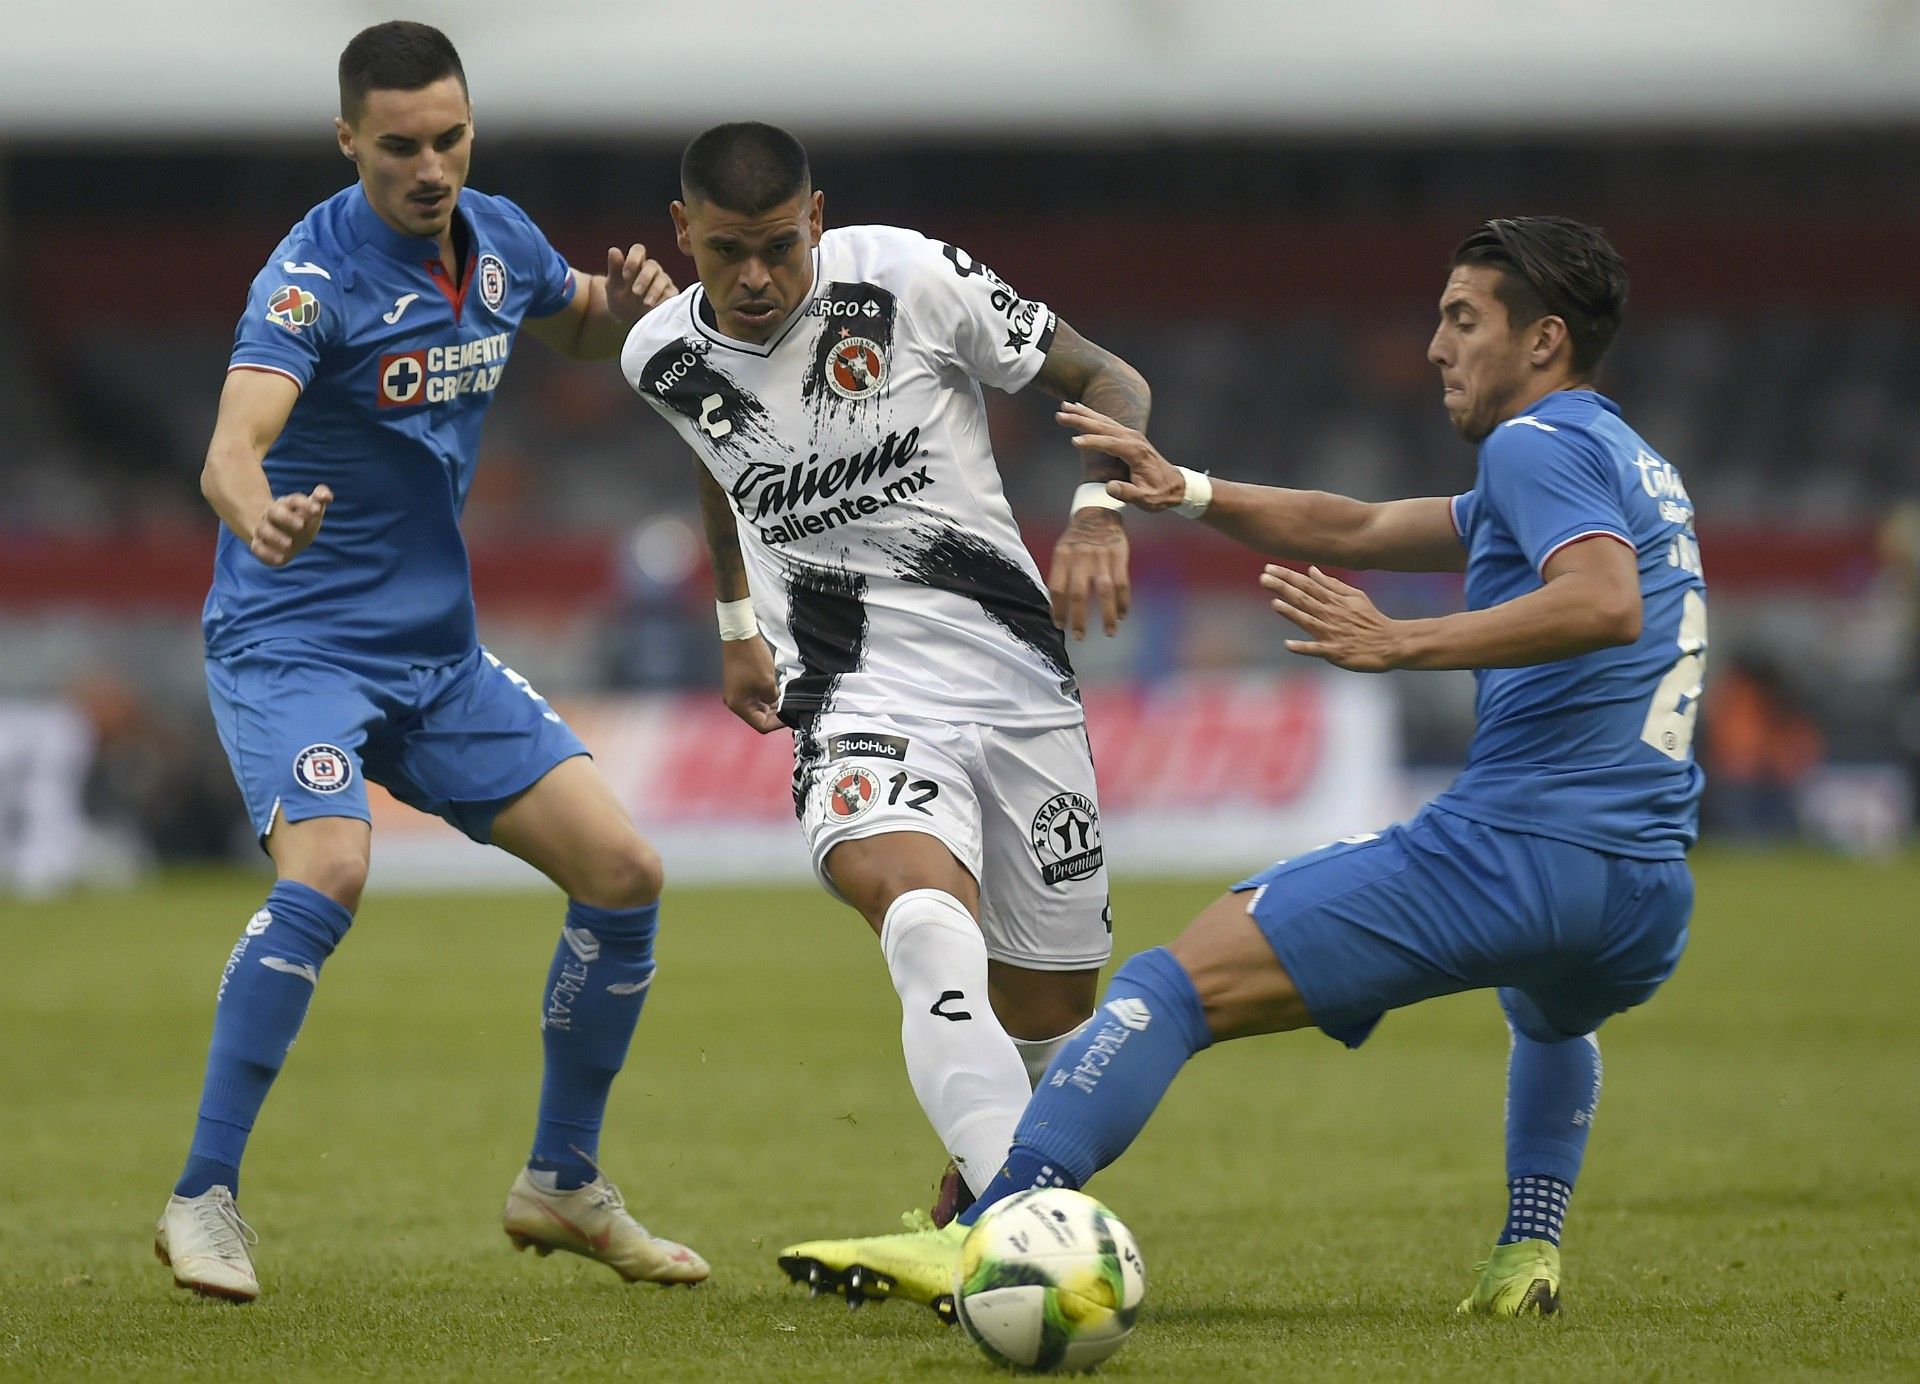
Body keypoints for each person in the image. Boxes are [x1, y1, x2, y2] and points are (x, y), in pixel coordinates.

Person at [779, 216, 1706, 1321]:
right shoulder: (1628, 461)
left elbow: (1606, 602)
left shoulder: (1532, 445)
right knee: (1552, 1013)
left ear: (1545, 340)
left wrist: (1400, 642)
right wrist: (1192, 491)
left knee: (1168, 988)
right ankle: (1525, 1253)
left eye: (1463, 319)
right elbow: (1360, 524)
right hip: (1646, 894)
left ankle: (990, 1229)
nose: (1435, 347)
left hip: (1524, 851)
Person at [155, 21, 706, 1301]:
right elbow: (232, 446)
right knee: (333, 868)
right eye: (399, 145)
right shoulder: (310, 278)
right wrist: (255, 510)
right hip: (293, 640)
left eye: (449, 138)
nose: (430, 166)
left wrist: (630, 314)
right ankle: (203, 1198)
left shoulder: (498, 236)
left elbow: (566, 325)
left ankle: (562, 1180)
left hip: (435, 655)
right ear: (349, 140)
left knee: (625, 872)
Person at [618, 124, 1152, 1259]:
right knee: (921, 919)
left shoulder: (912, 277)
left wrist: (1100, 509)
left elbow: (1113, 377)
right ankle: (1025, 1236)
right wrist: (735, 623)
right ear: (683, 235)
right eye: (723, 253)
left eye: (775, 246)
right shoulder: (661, 353)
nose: (753, 279)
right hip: (855, 693)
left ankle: (970, 1199)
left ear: (817, 217)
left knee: (1053, 1019)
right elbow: (715, 462)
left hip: (1017, 682)